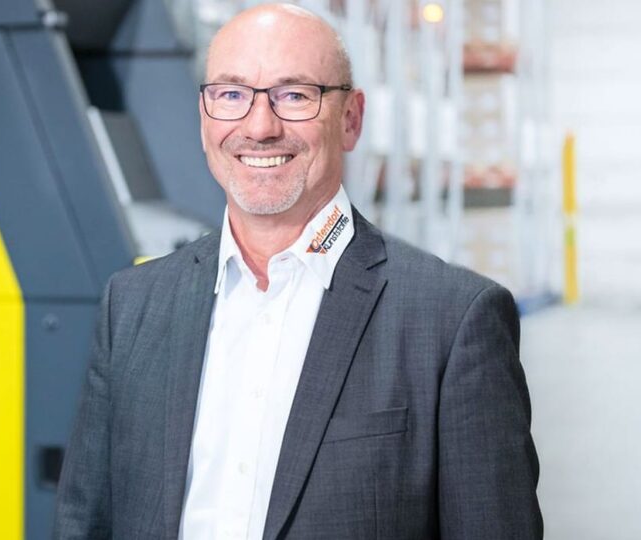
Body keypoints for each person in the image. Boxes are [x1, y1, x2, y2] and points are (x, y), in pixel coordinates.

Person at [54, 3, 542, 539]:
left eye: (295, 95)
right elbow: (84, 524)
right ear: (204, 117)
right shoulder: (131, 307)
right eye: (232, 95)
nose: (260, 127)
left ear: (351, 119)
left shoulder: (451, 321)